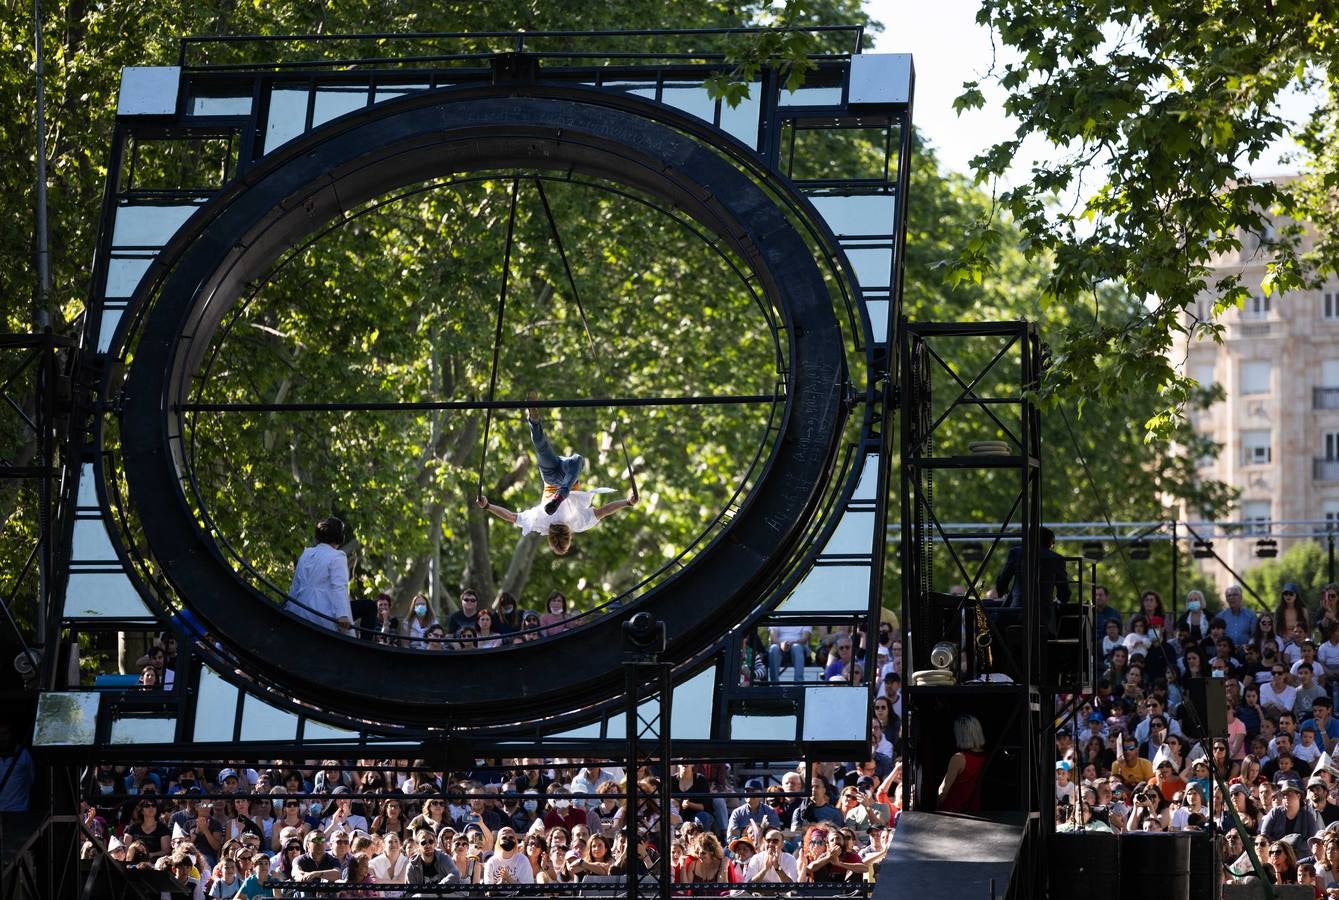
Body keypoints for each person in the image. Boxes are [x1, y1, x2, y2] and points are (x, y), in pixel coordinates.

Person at [476, 395, 637, 555]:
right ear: (551, 539)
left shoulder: (580, 523)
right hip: (551, 477)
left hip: (568, 477)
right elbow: (511, 517)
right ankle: (533, 420)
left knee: (577, 460)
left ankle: (563, 491)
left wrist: (628, 502)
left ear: (569, 538)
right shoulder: (539, 523)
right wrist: (487, 506)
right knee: (541, 447)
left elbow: (605, 511)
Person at [287, 516, 353, 633]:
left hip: (298, 612)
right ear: (339, 536)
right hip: (320, 616)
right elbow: (340, 587)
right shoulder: (337, 556)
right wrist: (342, 615)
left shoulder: (306, 553)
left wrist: (289, 608)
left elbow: (295, 585)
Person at [993, 526, 1071, 607]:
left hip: (1017, 608)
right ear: (1050, 542)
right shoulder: (1057, 559)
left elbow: (1003, 579)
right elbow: (1064, 593)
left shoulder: (1016, 553)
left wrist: (1003, 592)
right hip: (1044, 613)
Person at [938, 714, 989, 812]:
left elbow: (943, 791)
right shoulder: (985, 756)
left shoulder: (959, 758)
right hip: (974, 811)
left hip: (952, 811)